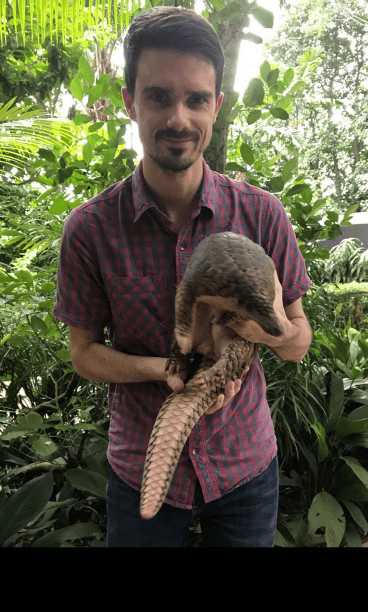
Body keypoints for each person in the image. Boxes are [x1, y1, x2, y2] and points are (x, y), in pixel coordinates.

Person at [53, 6, 312, 547]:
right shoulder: (90, 230)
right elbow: (83, 354)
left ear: (216, 106)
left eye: (196, 99)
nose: (179, 118)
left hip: (244, 463)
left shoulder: (262, 215)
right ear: (129, 100)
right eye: (158, 96)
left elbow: (297, 341)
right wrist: (165, 371)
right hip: (141, 463)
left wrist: (262, 329)